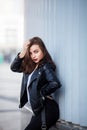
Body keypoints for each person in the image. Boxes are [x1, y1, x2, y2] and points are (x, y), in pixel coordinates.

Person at [10, 36, 61, 130]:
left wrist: (41, 93)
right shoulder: (30, 66)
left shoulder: (45, 66)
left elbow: (55, 83)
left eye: (36, 51)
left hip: (47, 108)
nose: (33, 55)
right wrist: (23, 52)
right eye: (31, 53)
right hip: (38, 108)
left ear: (43, 50)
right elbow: (14, 68)